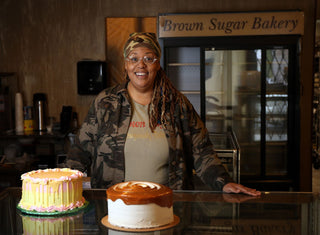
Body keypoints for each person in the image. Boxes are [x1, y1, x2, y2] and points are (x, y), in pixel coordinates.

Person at [64, 32, 260, 196]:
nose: (141, 65)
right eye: (134, 58)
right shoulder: (106, 102)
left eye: (148, 58)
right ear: (126, 64)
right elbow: (81, 149)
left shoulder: (177, 104)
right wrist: (61, 184)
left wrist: (223, 182)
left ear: (157, 64)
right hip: (115, 208)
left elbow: (202, 151)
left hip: (167, 207)